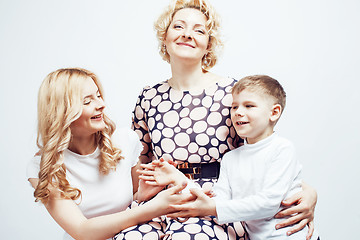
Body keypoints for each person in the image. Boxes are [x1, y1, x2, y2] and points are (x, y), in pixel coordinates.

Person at [116, 0, 318, 240]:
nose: (187, 34)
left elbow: (263, 151)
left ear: (208, 45)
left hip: (214, 200)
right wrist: (141, 196)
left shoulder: (230, 93)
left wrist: (308, 191)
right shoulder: (149, 97)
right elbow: (140, 160)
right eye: (178, 26)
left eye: (199, 30)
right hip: (161, 198)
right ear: (165, 36)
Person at [141, 75, 320, 239]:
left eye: (248, 106)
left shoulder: (282, 149)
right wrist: (176, 177)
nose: (238, 112)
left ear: (274, 112)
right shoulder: (231, 158)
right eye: (234, 106)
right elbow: (217, 200)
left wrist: (213, 208)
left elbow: (269, 203)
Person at [26, 68, 188, 240]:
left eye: (98, 95)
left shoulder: (125, 141)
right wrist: (152, 208)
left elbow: (130, 202)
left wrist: (143, 194)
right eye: (87, 101)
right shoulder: (42, 167)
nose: (101, 104)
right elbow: (82, 231)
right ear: (62, 113)